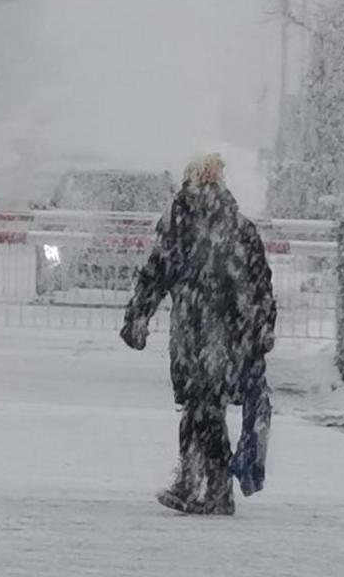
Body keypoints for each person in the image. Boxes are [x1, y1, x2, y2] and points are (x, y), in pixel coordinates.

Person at [119, 153, 277, 516]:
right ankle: (202, 484)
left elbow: (155, 276)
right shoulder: (228, 229)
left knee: (202, 408)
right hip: (213, 338)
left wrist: (138, 317)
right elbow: (259, 289)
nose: (203, 188)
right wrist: (260, 332)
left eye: (207, 180)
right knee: (202, 408)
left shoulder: (191, 227)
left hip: (208, 337)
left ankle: (199, 482)